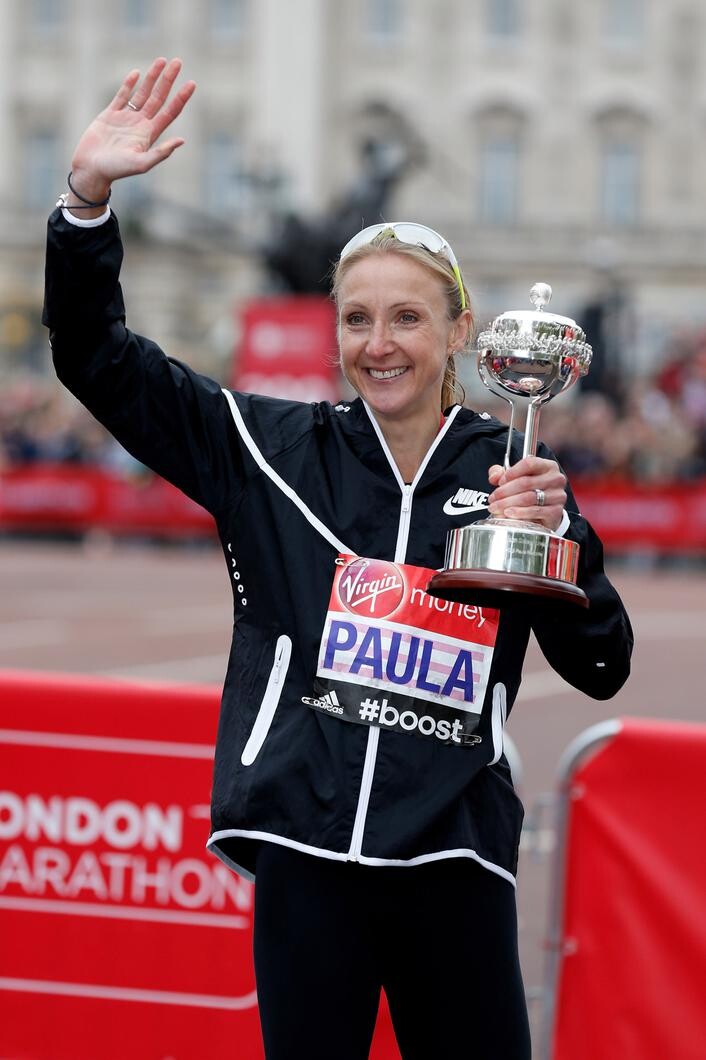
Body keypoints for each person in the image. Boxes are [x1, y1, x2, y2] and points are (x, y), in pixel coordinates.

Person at [44, 59, 633, 1060]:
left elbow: (603, 663)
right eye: (357, 319)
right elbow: (95, 356)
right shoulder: (268, 449)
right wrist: (87, 203)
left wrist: (562, 551)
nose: (379, 344)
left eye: (406, 317)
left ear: (458, 331)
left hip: (453, 856)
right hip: (306, 854)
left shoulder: (513, 474)